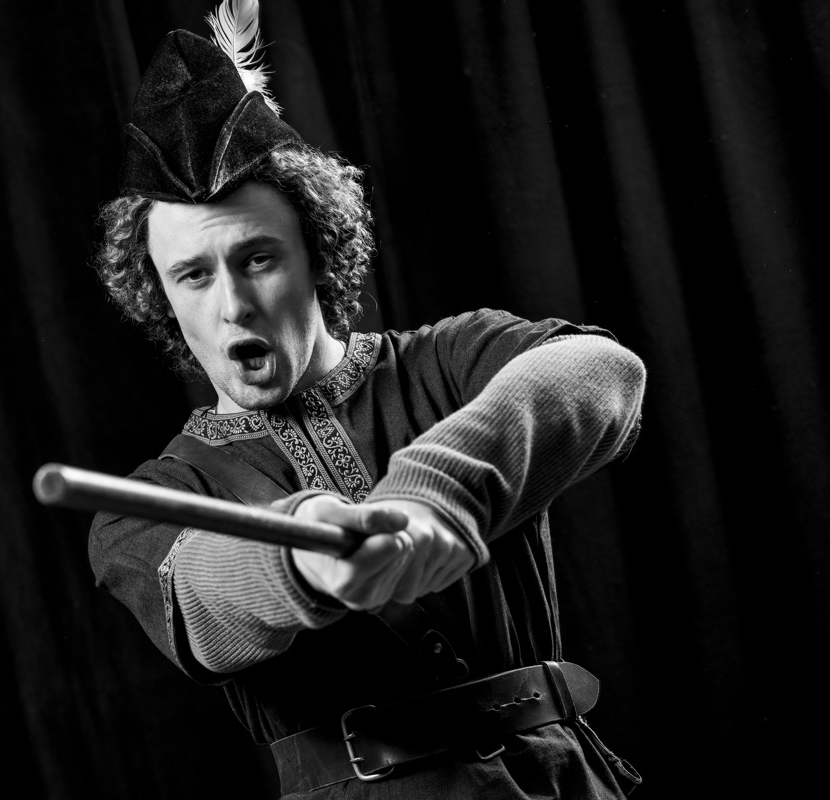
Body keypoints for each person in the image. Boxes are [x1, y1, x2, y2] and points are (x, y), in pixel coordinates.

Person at [88, 3, 645, 797]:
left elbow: (600, 370)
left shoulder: (449, 359)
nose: (233, 305)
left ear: (316, 255)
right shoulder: (148, 503)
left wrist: (436, 492)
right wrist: (304, 553)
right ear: (160, 297)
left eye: (258, 259)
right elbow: (203, 600)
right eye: (194, 275)